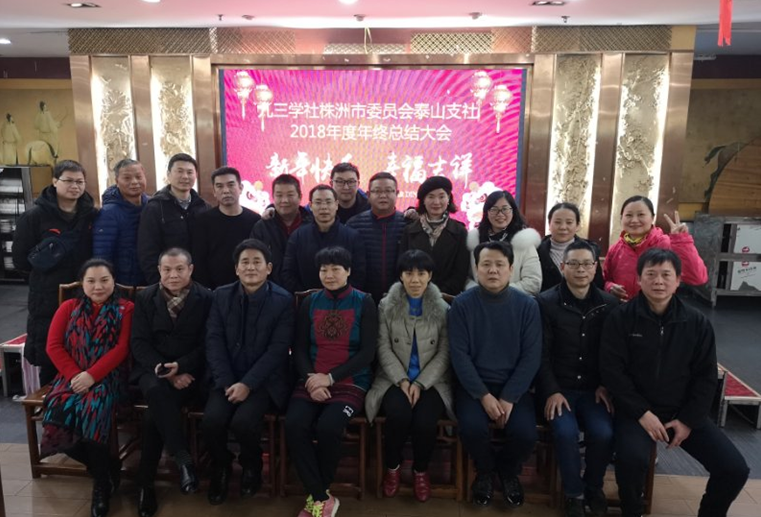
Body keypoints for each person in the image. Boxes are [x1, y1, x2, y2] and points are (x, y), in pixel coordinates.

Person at [600, 248, 749, 517]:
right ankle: (632, 512)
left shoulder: (696, 322)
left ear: (678, 280)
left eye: (666, 275)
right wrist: (642, 413)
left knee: (734, 469)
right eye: (651, 274)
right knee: (631, 461)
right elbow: (613, 372)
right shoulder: (621, 318)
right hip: (636, 413)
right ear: (639, 279)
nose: (659, 281)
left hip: (682, 412)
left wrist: (688, 420)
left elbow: (706, 377)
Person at [448, 240, 542, 508]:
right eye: (486, 264)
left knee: (526, 434)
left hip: (514, 388)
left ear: (511, 269)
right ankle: (486, 471)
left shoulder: (527, 306)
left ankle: (507, 470)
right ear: (476, 269)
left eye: (500, 264)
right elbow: (459, 356)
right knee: (472, 429)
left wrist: (510, 396)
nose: (493, 270)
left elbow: (531, 357)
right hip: (474, 387)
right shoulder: (462, 305)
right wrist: (483, 396)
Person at [285, 246, 377, 517]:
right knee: (294, 424)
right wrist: (312, 380)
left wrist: (331, 378)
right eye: (324, 269)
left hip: (351, 381)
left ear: (348, 271)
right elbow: (299, 349)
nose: (329, 274)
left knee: (328, 427)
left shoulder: (364, 301)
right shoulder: (309, 302)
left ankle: (317, 495)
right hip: (312, 378)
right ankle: (321, 496)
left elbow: (367, 353)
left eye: (336, 269)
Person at [202, 239, 294, 505]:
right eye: (245, 262)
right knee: (212, 420)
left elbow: (278, 350)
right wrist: (227, 381)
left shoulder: (283, 300)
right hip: (226, 377)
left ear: (269, 268)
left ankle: (252, 465)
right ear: (236, 268)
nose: (250, 267)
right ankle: (221, 466)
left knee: (243, 422)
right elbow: (213, 340)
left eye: (257, 262)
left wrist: (248, 384)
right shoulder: (221, 296)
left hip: (263, 381)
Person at [40, 259, 134, 517]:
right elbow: (53, 346)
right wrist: (76, 376)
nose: (98, 286)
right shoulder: (69, 307)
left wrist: (92, 376)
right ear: (82, 283)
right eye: (91, 281)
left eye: (104, 280)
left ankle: (100, 486)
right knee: (56, 419)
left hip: (109, 378)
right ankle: (106, 468)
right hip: (70, 378)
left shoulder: (126, 308)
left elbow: (122, 349)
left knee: (95, 409)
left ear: (114, 281)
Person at [535, 240, 618, 517]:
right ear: (562, 267)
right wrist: (551, 390)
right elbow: (540, 354)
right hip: (559, 389)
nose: (580, 269)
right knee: (565, 432)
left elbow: (613, 354)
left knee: (603, 433)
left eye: (586, 264)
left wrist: (605, 384)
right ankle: (574, 494)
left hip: (594, 390)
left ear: (595, 268)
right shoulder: (546, 302)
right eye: (573, 264)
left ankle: (593, 487)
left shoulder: (609, 305)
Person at [365, 249, 453, 503]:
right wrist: (403, 380)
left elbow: (445, 352)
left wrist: (422, 382)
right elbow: (382, 346)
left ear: (430, 276)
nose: (415, 279)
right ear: (401, 276)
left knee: (425, 421)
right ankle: (392, 467)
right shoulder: (385, 305)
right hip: (393, 378)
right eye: (409, 273)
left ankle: (420, 471)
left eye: (421, 273)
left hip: (432, 381)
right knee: (398, 414)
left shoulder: (443, 308)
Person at [130, 248, 212, 517]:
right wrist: (167, 371)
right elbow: (139, 342)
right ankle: (183, 460)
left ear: (191, 269)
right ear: (159, 271)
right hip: (152, 369)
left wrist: (182, 367)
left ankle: (145, 484)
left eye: (179, 269)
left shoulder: (206, 297)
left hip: (189, 373)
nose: (173, 275)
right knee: (155, 389)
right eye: (167, 269)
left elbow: (207, 343)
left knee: (153, 416)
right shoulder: (145, 297)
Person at [12, 159, 97, 385]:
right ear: (54, 181)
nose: (75, 186)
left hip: (84, 292)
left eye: (79, 181)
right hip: (47, 296)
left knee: (83, 349)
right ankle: (51, 400)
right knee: (51, 351)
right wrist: (43, 281)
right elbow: (20, 260)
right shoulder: (34, 217)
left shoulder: (91, 215)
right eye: (68, 181)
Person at [604, 195, 707, 302]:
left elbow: (697, 277)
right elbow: (605, 279)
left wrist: (681, 241)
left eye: (641, 215)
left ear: (652, 218)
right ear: (621, 219)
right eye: (628, 215)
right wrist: (610, 287)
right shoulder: (615, 249)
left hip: (658, 308)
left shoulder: (666, 244)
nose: (634, 220)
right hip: (624, 309)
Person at [137, 153, 210, 285]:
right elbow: (147, 251)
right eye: (179, 171)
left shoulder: (204, 208)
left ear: (196, 175)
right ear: (169, 175)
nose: (185, 176)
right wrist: (158, 284)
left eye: (190, 172)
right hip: (167, 282)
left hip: (200, 284)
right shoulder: (155, 208)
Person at [281, 185, 366, 292]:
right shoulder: (298, 236)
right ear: (310, 206)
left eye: (328, 202)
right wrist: (308, 296)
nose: (324, 207)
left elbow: (359, 274)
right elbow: (288, 272)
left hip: (344, 299)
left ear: (336, 205)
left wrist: (341, 295)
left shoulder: (352, 236)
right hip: (307, 298)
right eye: (318, 202)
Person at [192, 167, 261, 289]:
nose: (226, 191)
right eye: (219, 186)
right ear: (214, 191)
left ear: (240, 188)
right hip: (214, 291)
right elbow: (199, 261)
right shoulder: (203, 221)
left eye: (231, 185)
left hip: (248, 288)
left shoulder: (255, 220)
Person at [400, 176, 469, 296]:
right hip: (414, 295)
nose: (436, 202)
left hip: (446, 298)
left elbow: (460, 272)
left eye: (441, 196)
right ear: (423, 200)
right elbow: (402, 266)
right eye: (431, 197)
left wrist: (438, 294)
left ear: (449, 198)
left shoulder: (460, 232)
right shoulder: (409, 230)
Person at [465, 190, 542, 295]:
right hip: (479, 300)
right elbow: (467, 277)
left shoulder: (524, 241)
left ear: (513, 211)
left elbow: (533, 282)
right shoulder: (475, 240)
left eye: (505, 209)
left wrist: (499, 293)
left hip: (513, 301)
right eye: (494, 209)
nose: (500, 214)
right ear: (487, 213)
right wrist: (480, 293)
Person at [346, 172, 407, 303]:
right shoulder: (354, 224)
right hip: (361, 298)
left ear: (397, 193)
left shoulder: (407, 224)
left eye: (388, 191)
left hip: (400, 298)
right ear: (368, 195)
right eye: (377, 191)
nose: (383, 195)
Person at [93, 159, 149, 286]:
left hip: (149, 278)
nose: (134, 182)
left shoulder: (151, 205)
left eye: (138, 177)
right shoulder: (108, 213)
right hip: (123, 282)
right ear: (117, 181)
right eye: (127, 178)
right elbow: (102, 254)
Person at [251, 174, 312, 287]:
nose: (284, 200)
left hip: (307, 291)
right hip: (271, 291)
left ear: (300, 196)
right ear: (273, 197)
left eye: (290, 195)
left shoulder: (312, 225)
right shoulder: (262, 227)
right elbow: (254, 261)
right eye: (279, 195)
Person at [537, 202, 604, 292]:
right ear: (549, 224)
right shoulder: (537, 251)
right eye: (557, 222)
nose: (563, 227)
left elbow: (598, 285)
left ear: (577, 225)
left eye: (569, 222)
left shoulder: (590, 250)